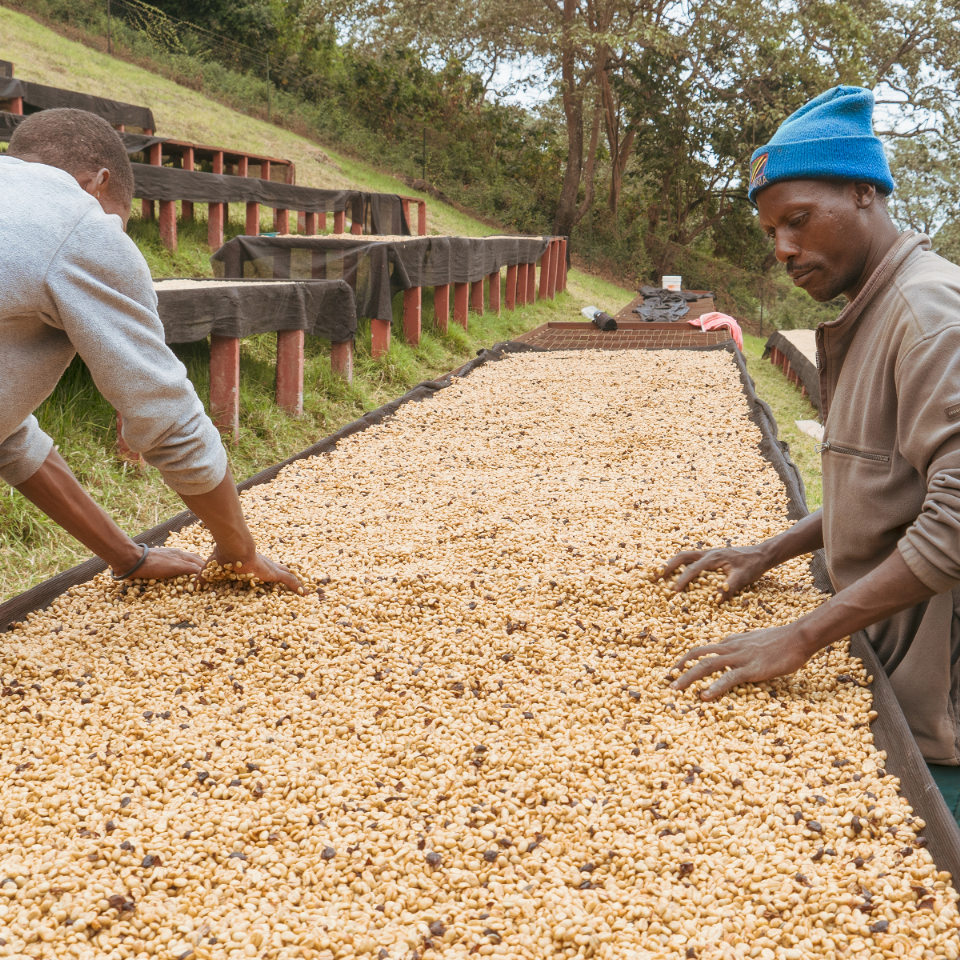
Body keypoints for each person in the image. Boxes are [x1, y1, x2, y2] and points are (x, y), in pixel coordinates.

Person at [658, 86, 960, 815]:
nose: (785, 250)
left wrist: (802, 636)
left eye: (799, 221)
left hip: (940, 721)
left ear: (865, 193)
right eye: (772, 233)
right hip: (880, 664)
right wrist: (772, 550)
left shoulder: (927, 315)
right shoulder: (875, 308)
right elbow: (884, 482)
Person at [0, 108, 301, 590]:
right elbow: (163, 413)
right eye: (118, 220)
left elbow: (6, 433)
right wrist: (238, 553)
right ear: (96, 184)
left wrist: (127, 557)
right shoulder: (78, 220)